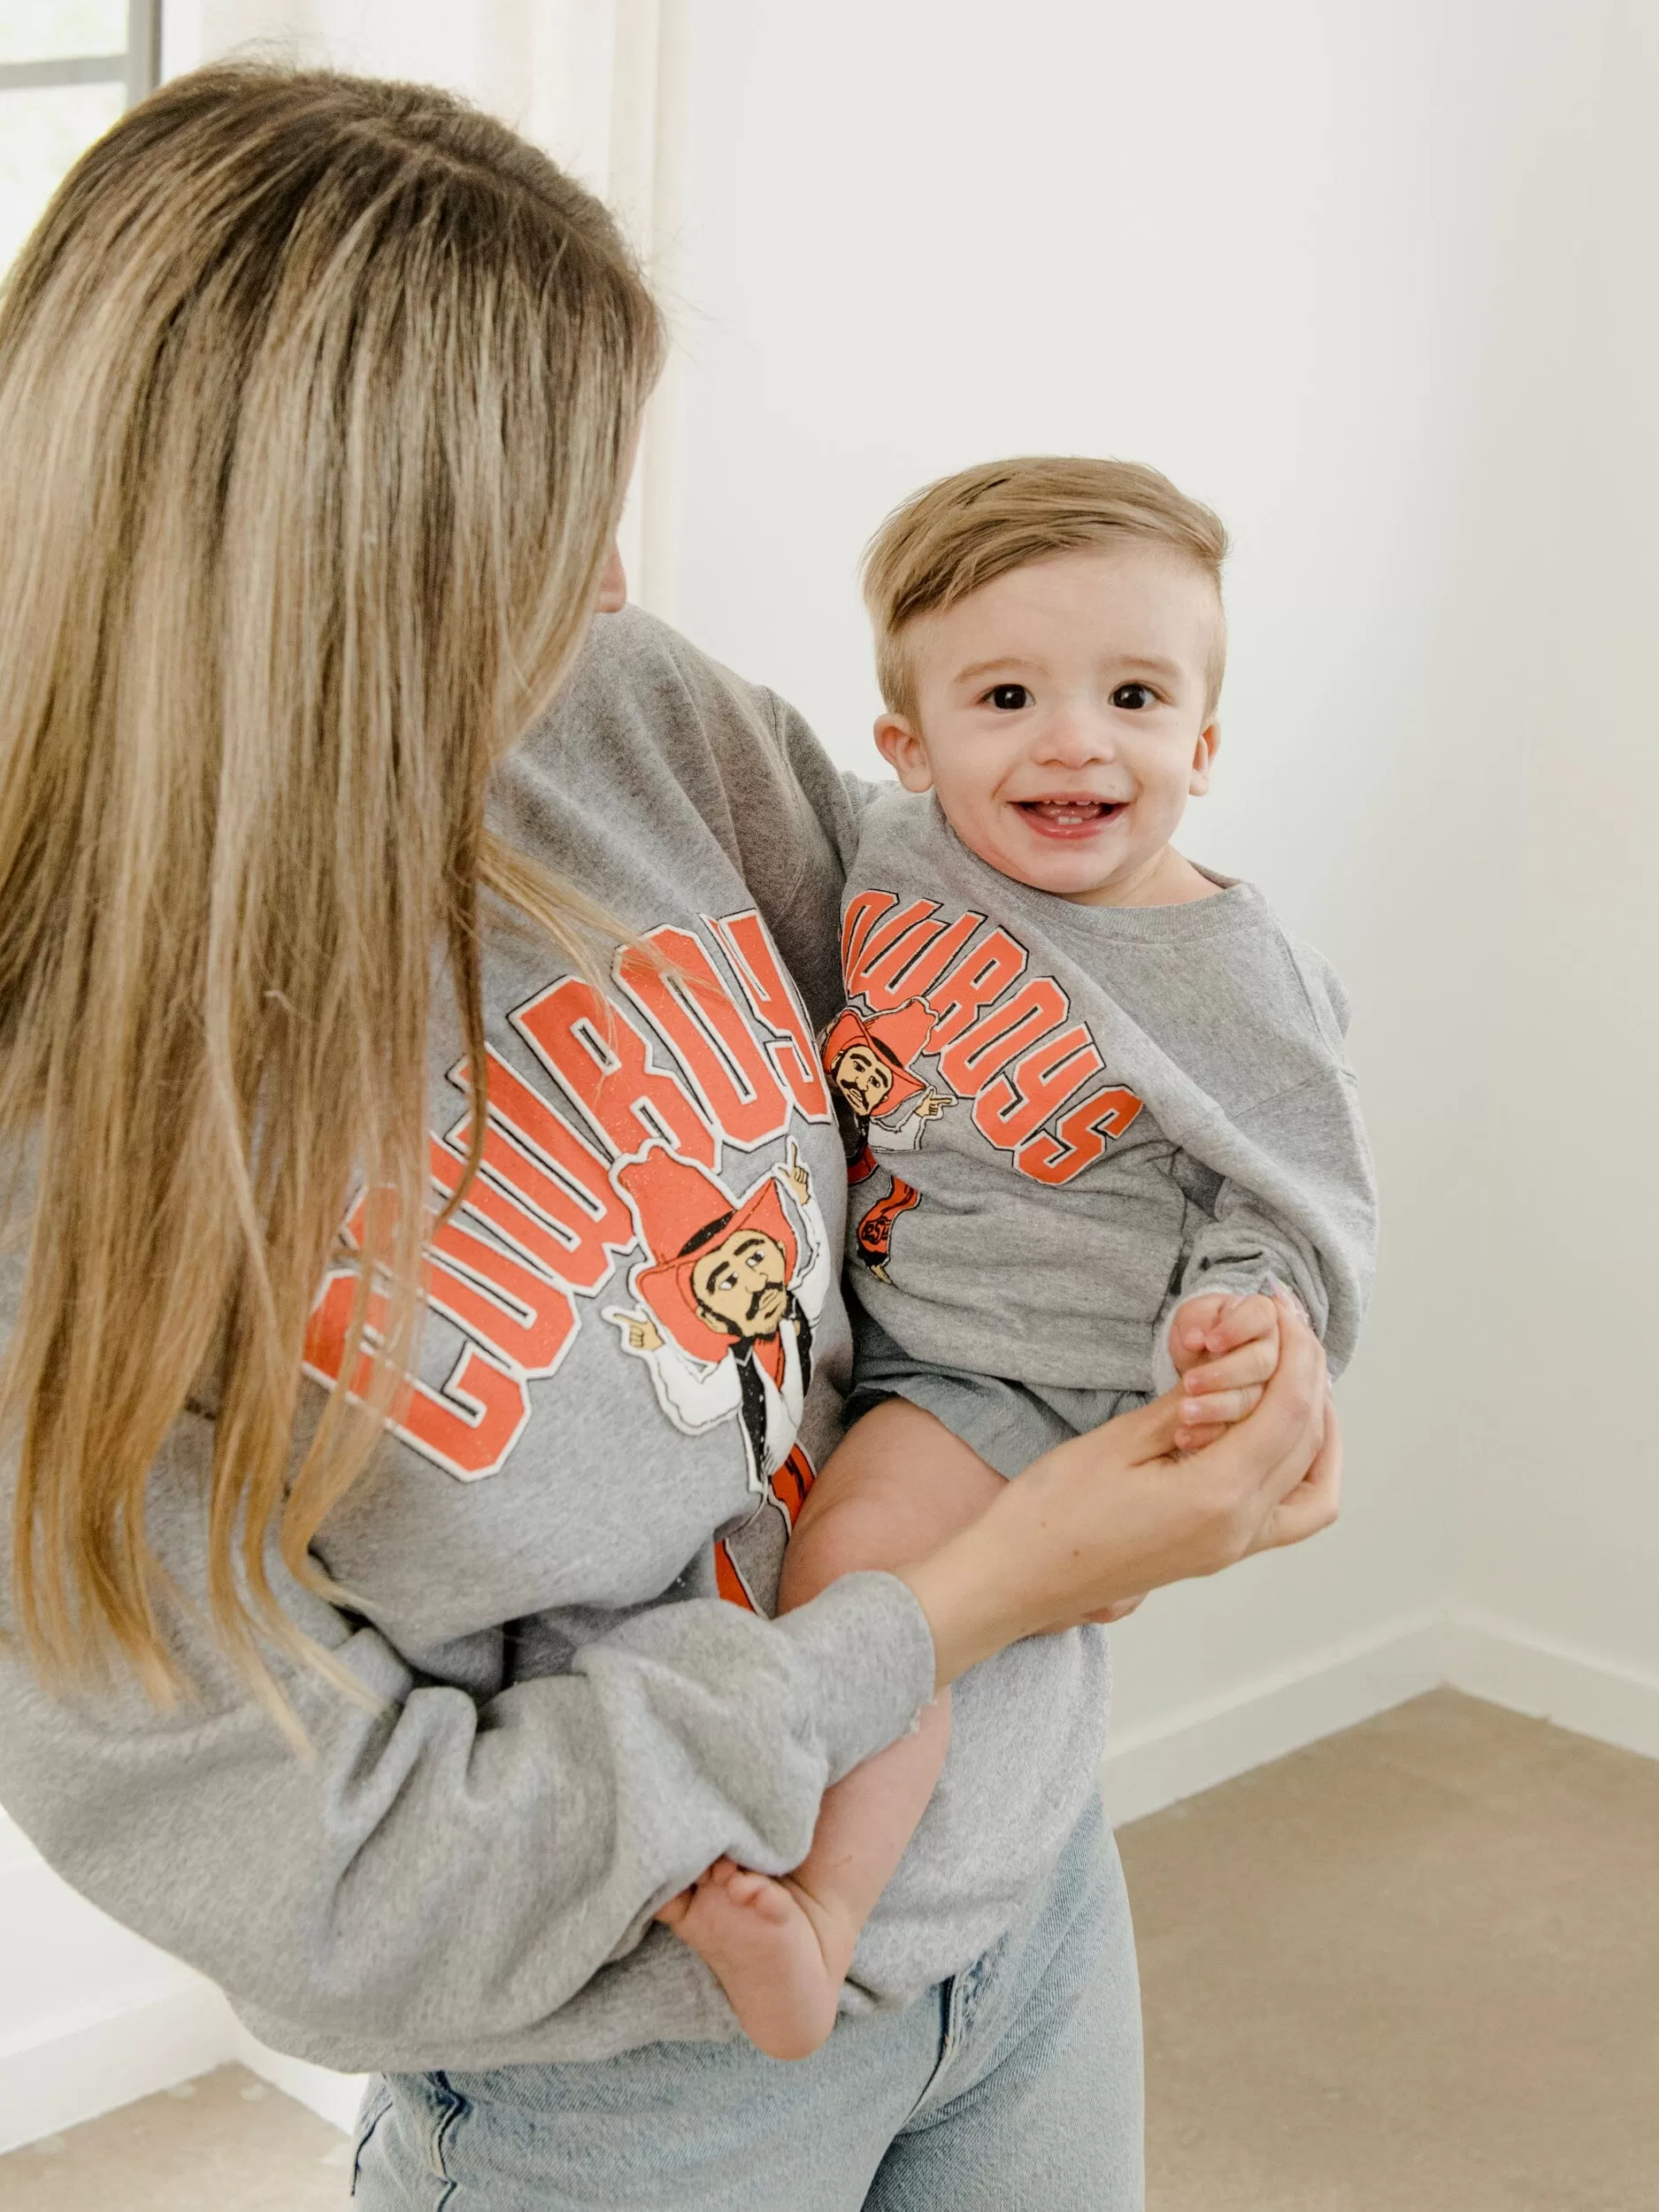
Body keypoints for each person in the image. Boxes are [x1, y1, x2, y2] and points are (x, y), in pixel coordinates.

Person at [0, 68, 1338, 2212]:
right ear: (328, 563)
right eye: (538, 523)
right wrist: (968, 1598)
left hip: (1019, 1890)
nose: (613, 572)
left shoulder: (635, 714)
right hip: (623, 2083)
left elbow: (988, 1083)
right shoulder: (58, 1147)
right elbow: (353, 1874)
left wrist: (1232, 1310)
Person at [658, 457, 1377, 2062]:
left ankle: (825, 1920)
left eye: (1132, 694)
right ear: (905, 747)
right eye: (1005, 694)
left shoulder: (1230, 975)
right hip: (881, 1320)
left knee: (867, 1587)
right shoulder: (894, 853)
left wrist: (1237, 1316)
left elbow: (1299, 1199)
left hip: (1023, 1374)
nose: (1074, 740)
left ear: (1199, 742)